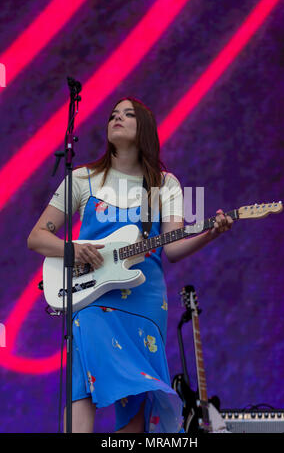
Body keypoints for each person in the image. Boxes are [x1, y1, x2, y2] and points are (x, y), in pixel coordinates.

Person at [27, 96, 233, 433]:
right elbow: (37, 237)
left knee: (137, 395)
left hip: (144, 299)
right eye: (113, 115)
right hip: (93, 296)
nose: (117, 118)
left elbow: (174, 248)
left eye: (128, 114)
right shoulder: (83, 179)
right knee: (82, 377)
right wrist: (71, 251)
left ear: (145, 130)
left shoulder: (164, 185)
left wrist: (210, 234)